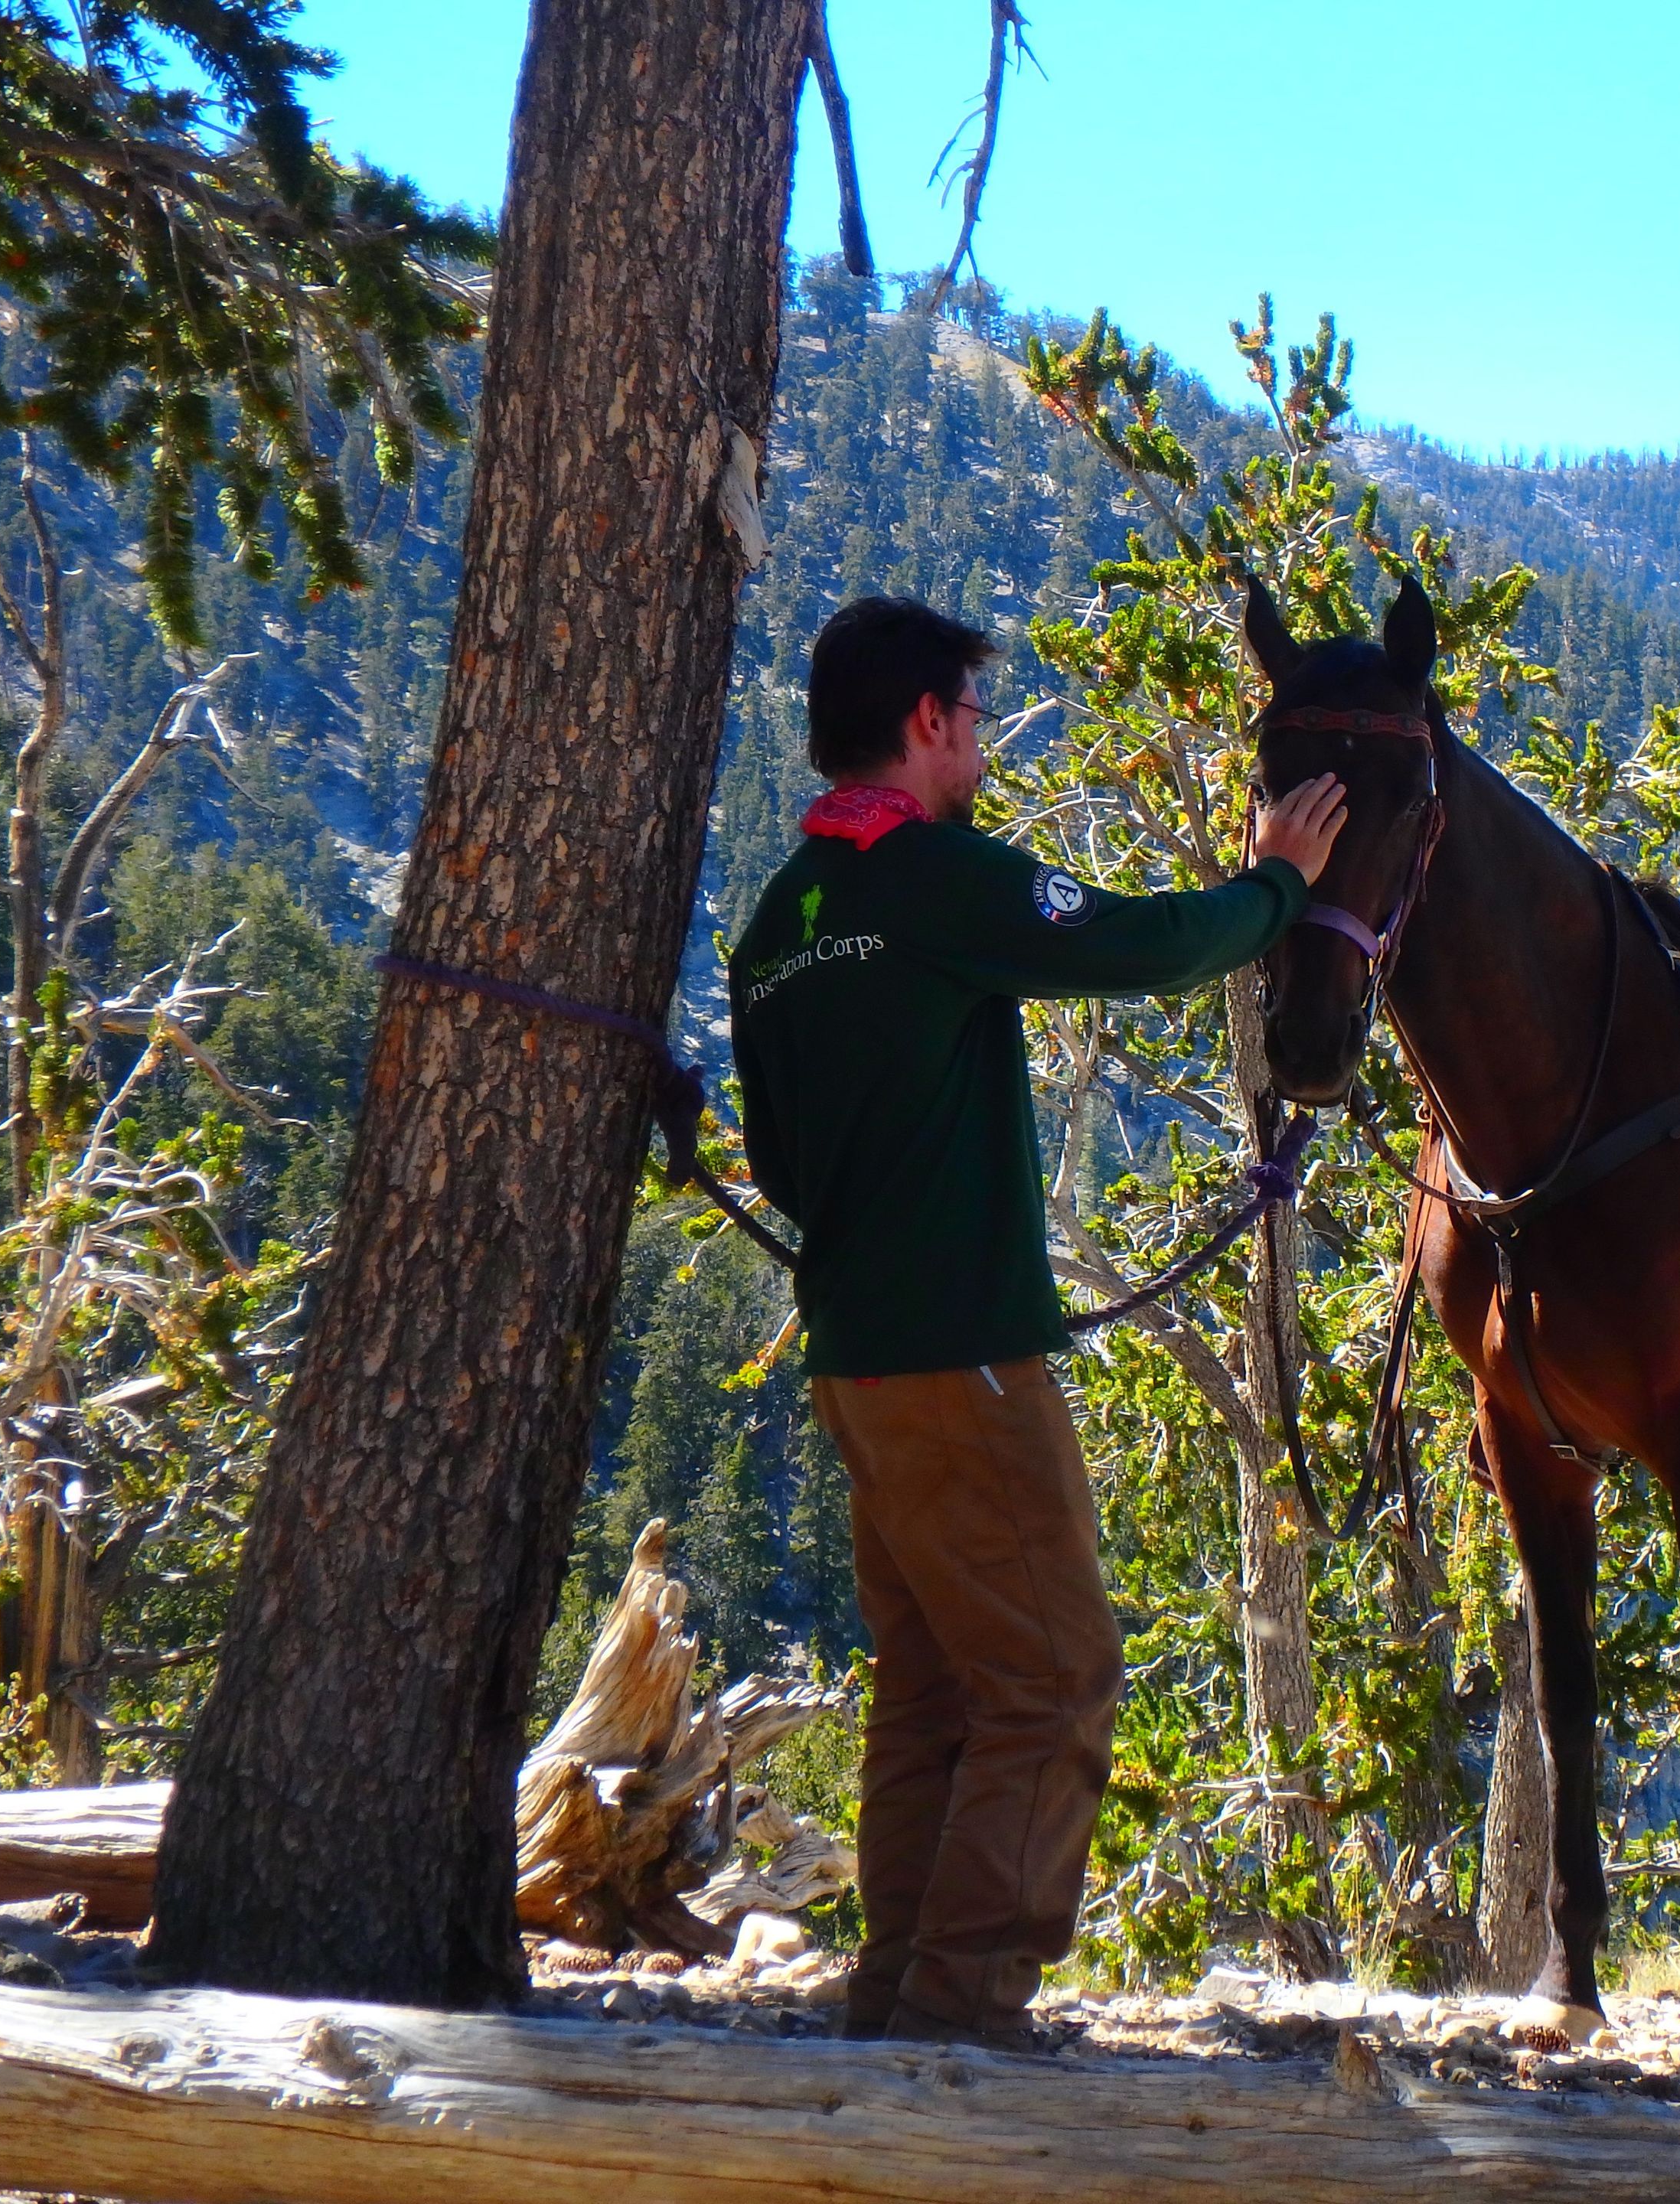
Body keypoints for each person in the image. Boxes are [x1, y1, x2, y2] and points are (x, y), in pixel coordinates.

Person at [726, 596, 1345, 2049]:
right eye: (978, 716)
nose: (985, 743)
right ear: (929, 722)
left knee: (933, 1684)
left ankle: (898, 1993)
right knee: (1058, 1680)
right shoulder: (932, 878)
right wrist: (1275, 889)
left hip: (859, 1363)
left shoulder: (782, 916)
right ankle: (963, 2009)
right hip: (966, 1357)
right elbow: (1133, 948)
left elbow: (775, 1164)